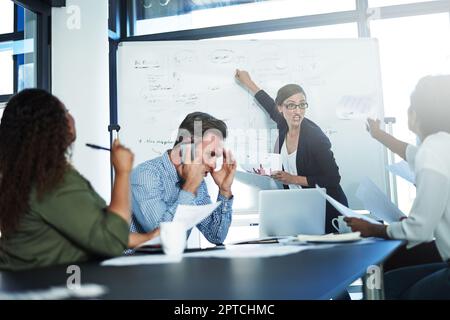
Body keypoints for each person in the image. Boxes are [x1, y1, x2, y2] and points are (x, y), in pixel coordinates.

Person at [0, 89, 159, 271]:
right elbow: (111, 241)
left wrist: (148, 238)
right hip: (45, 286)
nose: (71, 117)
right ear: (53, 125)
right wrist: (123, 172)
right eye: (66, 112)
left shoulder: (25, 176)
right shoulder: (52, 182)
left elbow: (87, 226)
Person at [344, 75, 450, 299]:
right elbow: (413, 153)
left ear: (418, 114)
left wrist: (375, 229)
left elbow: (419, 230)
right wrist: (378, 134)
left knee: (387, 289)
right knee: (390, 281)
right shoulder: (441, 144)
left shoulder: (433, 148)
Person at [235, 69, 348, 234]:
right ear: (280, 108)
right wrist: (248, 82)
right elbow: (268, 104)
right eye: (291, 105)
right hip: (302, 208)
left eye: (302, 104)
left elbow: (332, 178)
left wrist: (292, 179)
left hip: (328, 211)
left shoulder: (315, 137)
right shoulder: (283, 124)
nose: (297, 111)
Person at [130, 112, 237, 245]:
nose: (213, 165)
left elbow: (216, 235)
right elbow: (162, 240)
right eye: (211, 154)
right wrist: (189, 188)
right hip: (132, 263)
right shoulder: (145, 175)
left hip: (167, 263)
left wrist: (224, 191)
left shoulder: (197, 182)